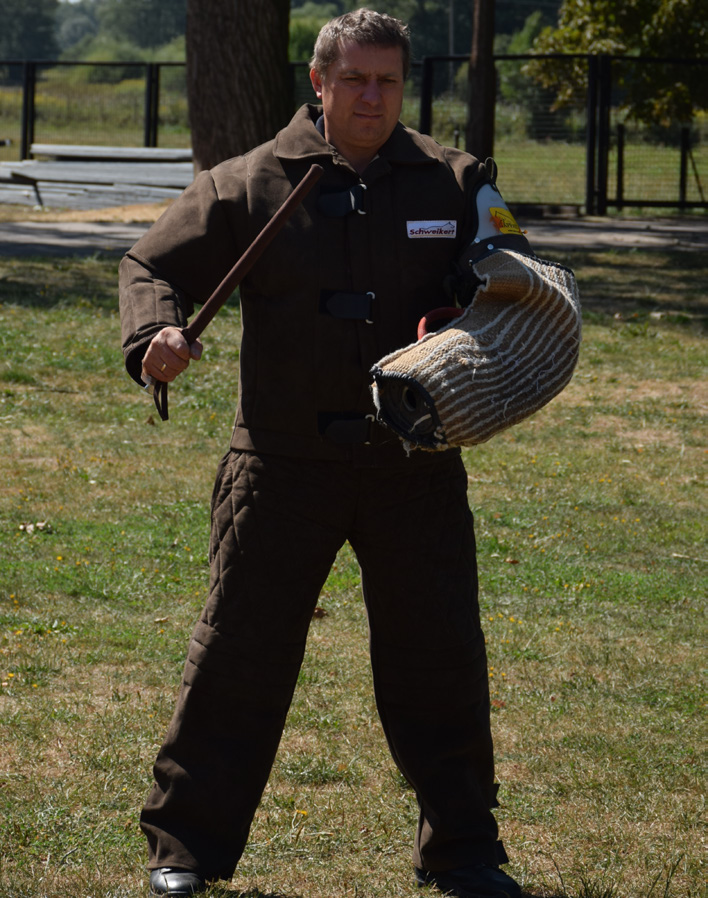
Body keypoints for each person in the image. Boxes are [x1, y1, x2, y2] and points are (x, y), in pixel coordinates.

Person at [119, 9, 542, 898]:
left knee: (442, 660)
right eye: (355, 80)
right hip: (278, 469)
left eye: (388, 81)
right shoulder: (249, 184)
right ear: (320, 83)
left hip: (414, 470)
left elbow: (512, 270)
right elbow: (151, 268)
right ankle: (184, 853)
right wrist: (155, 334)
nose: (373, 97)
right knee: (235, 657)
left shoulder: (454, 180)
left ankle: (464, 852)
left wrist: (491, 287)